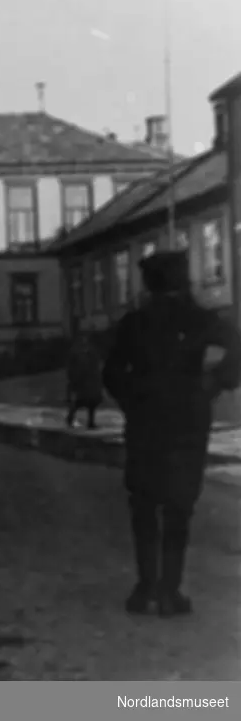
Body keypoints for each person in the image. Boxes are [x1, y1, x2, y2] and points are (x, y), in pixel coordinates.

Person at [102, 249, 241, 617]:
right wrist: (214, 384)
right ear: (183, 279)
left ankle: (144, 587)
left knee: (144, 504)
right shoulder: (200, 319)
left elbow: (112, 373)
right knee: (179, 506)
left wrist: (134, 400)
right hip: (188, 421)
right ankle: (170, 591)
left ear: (149, 283)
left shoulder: (134, 322)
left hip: (146, 422)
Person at [65, 330, 104, 429]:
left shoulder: (91, 351)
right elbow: (72, 367)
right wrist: (74, 379)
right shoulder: (76, 352)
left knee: (92, 402)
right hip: (82, 380)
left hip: (91, 380)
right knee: (81, 401)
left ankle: (91, 422)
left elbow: (95, 364)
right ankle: (71, 416)